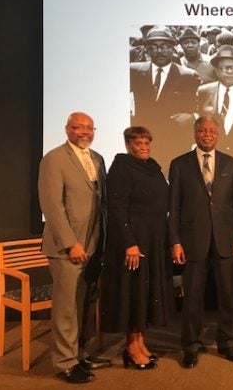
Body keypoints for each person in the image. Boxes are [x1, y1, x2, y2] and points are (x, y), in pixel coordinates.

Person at [168, 116, 233, 368]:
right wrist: (175, 241)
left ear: (218, 134)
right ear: (195, 133)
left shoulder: (231, 163)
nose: (206, 134)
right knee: (192, 296)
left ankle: (227, 343)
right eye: (202, 130)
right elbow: (174, 207)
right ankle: (191, 346)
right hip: (192, 240)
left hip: (226, 239)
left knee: (227, 294)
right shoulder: (179, 164)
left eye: (211, 131)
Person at [38, 112, 110, 384]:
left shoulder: (97, 159)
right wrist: (71, 243)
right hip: (68, 248)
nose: (84, 132)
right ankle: (64, 362)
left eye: (89, 128)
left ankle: (81, 353)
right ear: (67, 129)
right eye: (78, 127)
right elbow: (52, 206)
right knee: (67, 307)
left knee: (86, 303)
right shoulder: (54, 159)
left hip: (94, 245)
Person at [101, 126, 172, 370]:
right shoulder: (121, 167)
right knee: (134, 294)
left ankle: (140, 341)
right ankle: (131, 347)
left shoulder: (152, 166)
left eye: (145, 142)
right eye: (137, 143)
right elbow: (117, 208)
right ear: (127, 145)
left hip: (152, 240)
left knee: (144, 293)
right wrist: (129, 243)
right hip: (133, 243)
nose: (143, 146)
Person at [130, 25, 201, 177]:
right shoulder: (134, 71)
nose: (160, 51)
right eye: (154, 47)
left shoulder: (188, 76)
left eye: (164, 46)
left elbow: (199, 106)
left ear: (172, 48)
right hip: (142, 141)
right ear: (147, 50)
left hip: (174, 140)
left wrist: (191, 116)